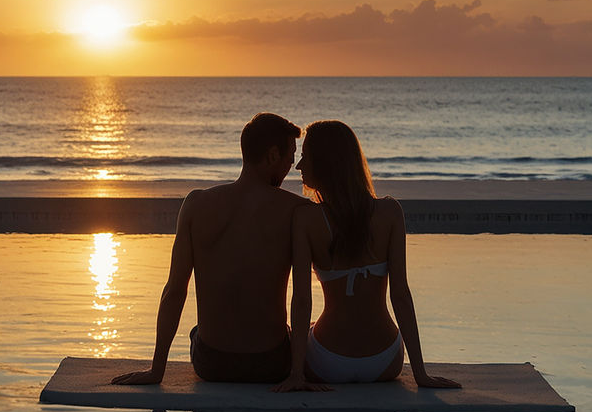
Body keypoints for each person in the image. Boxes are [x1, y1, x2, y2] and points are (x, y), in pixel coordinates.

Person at [112, 112, 325, 386]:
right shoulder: (297, 211)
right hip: (271, 364)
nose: (291, 166)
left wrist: (156, 371)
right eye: (289, 157)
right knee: (307, 331)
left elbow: (175, 291)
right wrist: (297, 374)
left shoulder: (196, 204)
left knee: (196, 332)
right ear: (272, 155)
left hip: (211, 363)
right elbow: (301, 298)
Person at [275, 120, 459, 391]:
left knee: (300, 331)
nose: (299, 166)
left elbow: (302, 300)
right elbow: (401, 295)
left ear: (327, 163)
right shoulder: (390, 212)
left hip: (329, 363)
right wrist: (420, 373)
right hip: (384, 361)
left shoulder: (306, 219)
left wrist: (296, 375)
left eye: (306, 157)